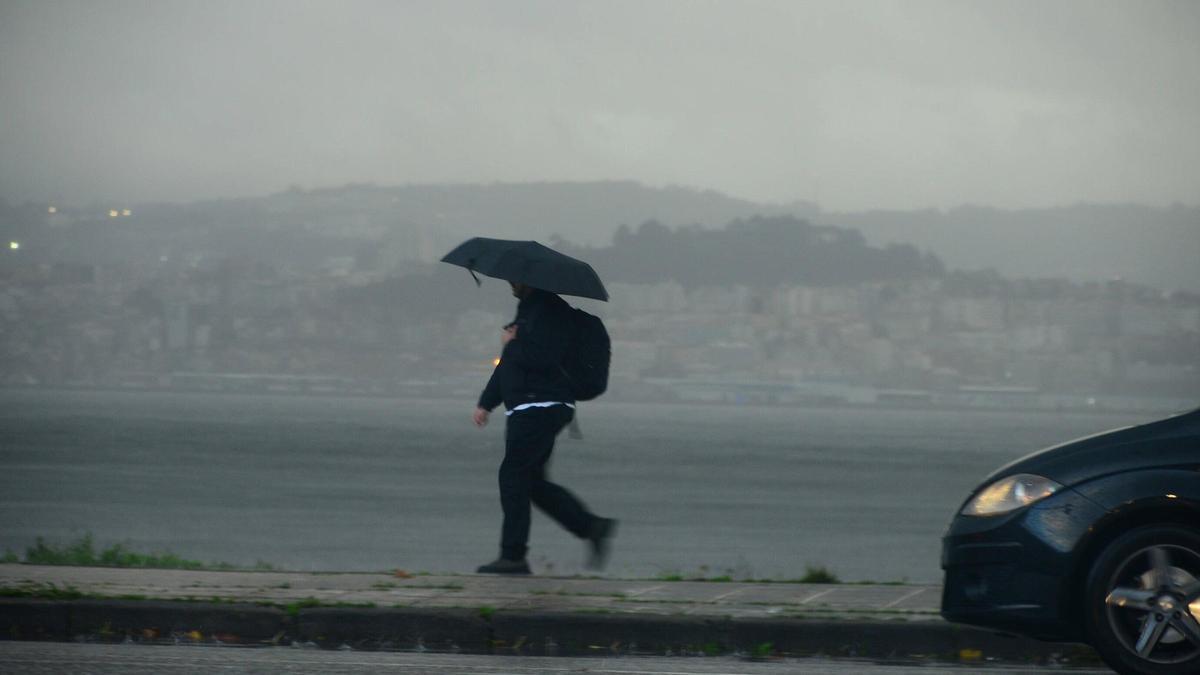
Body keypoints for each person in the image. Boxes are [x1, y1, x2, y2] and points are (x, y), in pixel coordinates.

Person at [472, 281, 616, 575]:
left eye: (515, 279)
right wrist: (487, 403)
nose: (511, 283)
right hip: (532, 407)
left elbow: (542, 357)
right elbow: (509, 367)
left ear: (530, 280)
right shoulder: (529, 312)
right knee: (531, 482)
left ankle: (513, 556)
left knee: (513, 476)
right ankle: (591, 526)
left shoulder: (549, 312)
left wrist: (512, 344)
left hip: (540, 407)